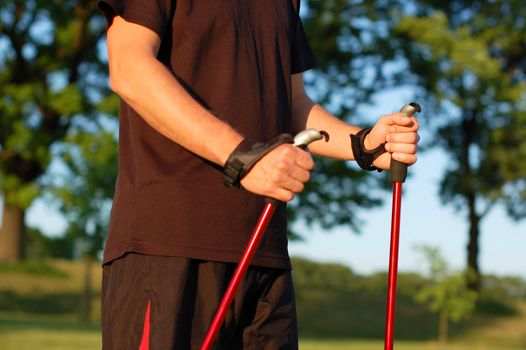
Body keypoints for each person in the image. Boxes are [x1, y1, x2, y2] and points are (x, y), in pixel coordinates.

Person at [97, 0, 420, 349]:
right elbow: (129, 66)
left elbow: (292, 102)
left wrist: (363, 144)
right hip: (167, 248)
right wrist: (243, 157)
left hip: (265, 252)